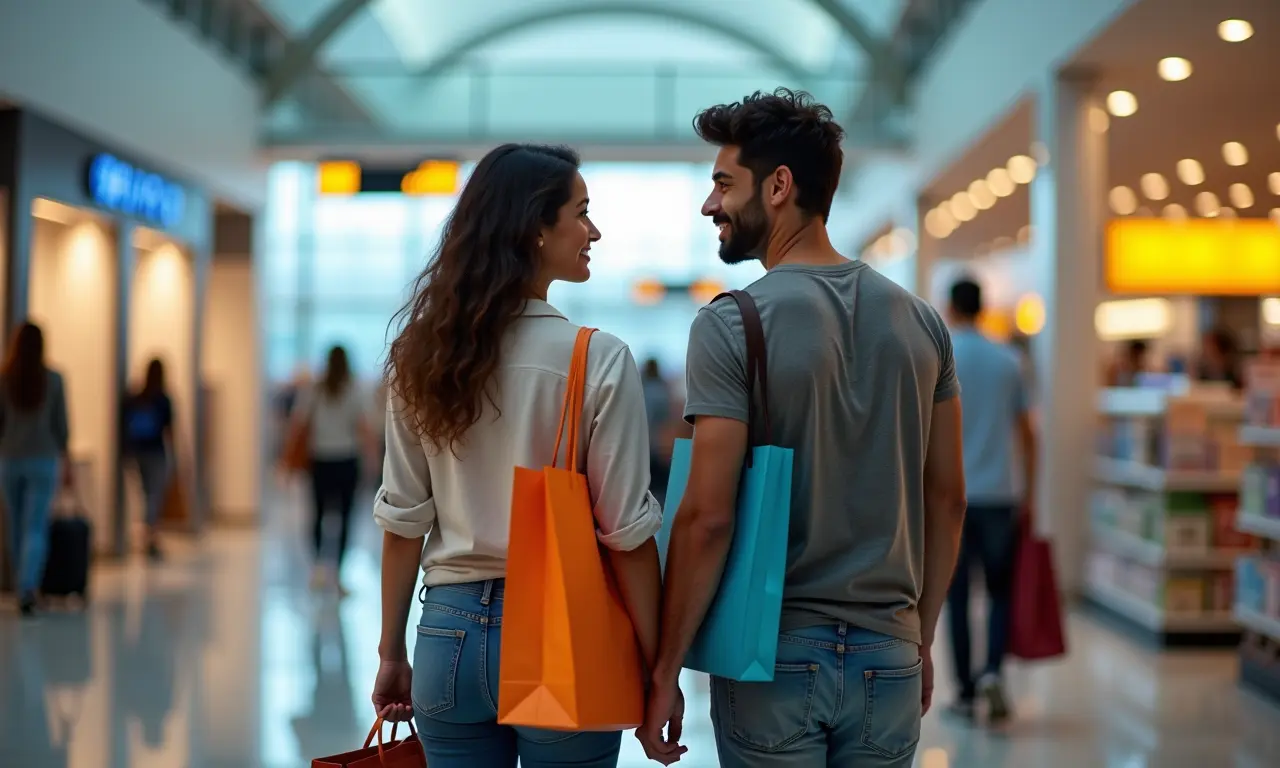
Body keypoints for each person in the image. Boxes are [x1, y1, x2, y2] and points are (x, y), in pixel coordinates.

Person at [641, 89, 967, 767]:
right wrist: (921, 636)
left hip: (773, 654)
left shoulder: (732, 323)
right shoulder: (922, 323)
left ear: (780, 186)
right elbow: (947, 499)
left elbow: (707, 516)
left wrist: (665, 665)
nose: (711, 206)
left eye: (723, 184)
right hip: (890, 654)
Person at [369, 143, 664, 768]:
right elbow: (626, 535)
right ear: (536, 226)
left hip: (446, 634)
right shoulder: (597, 359)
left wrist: (392, 651)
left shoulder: (421, 359)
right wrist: (659, 663)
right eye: (581, 213)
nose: (594, 231)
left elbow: (403, 521)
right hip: (562, 626)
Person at [943, 278, 1038, 724]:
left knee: (958, 596)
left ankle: (963, 692)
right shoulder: (1010, 360)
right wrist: (1030, 494)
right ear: (983, 308)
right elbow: (1028, 433)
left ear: (950, 307)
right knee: (1000, 592)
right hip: (1002, 494)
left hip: (954, 498)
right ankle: (994, 674)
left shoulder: (941, 357)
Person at [288, 345, 375, 594]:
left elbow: (299, 424)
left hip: (320, 460)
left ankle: (317, 569)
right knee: (345, 518)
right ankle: (337, 575)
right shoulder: (354, 390)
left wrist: (289, 462)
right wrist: (371, 462)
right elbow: (364, 428)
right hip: (347, 461)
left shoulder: (315, 389)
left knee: (318, 515)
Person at [0, 322, 71, 617]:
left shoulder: (5, 379)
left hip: (10, 458)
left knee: (16, 526)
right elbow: (62, 425)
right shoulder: (53, 379)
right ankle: (28, 588)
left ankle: (22, 585)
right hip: (43, 458)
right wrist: (65, 458)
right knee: (35, 526)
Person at [121, 358, 174, 560]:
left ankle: (146, 534)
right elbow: (169, 429)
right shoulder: (162, 399)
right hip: (156, 452)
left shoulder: (136, 396)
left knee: (145, 495)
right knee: (154, 495)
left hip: (137, 452)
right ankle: (150, 538)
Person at [641, 357, 673, 504]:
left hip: (641, 446)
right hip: (658, 447)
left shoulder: (640, 389)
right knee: (660, 490)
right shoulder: (663, 391)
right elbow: (666, 421)